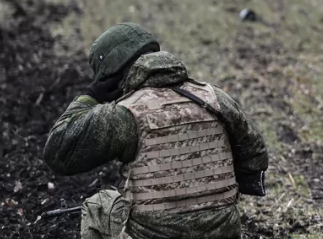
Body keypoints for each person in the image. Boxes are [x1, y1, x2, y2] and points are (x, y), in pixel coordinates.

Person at [43, 23, 269, 239]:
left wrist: (91, 96)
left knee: (99, 207)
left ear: (111, 76)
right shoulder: (214, 97)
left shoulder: (124, 114)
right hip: (224, 233)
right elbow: (255, 157)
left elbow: (59, 152)